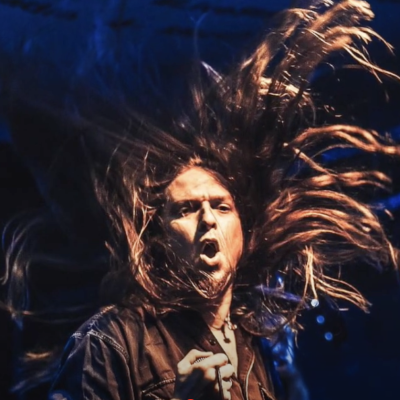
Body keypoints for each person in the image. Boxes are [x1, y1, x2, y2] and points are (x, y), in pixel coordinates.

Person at [2, 1, 399, 400]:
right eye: (187, 209)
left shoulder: (256, 355)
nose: (208, 218)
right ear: (161, 239)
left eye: (221, 207)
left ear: (245, 236)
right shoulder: (113, 340)